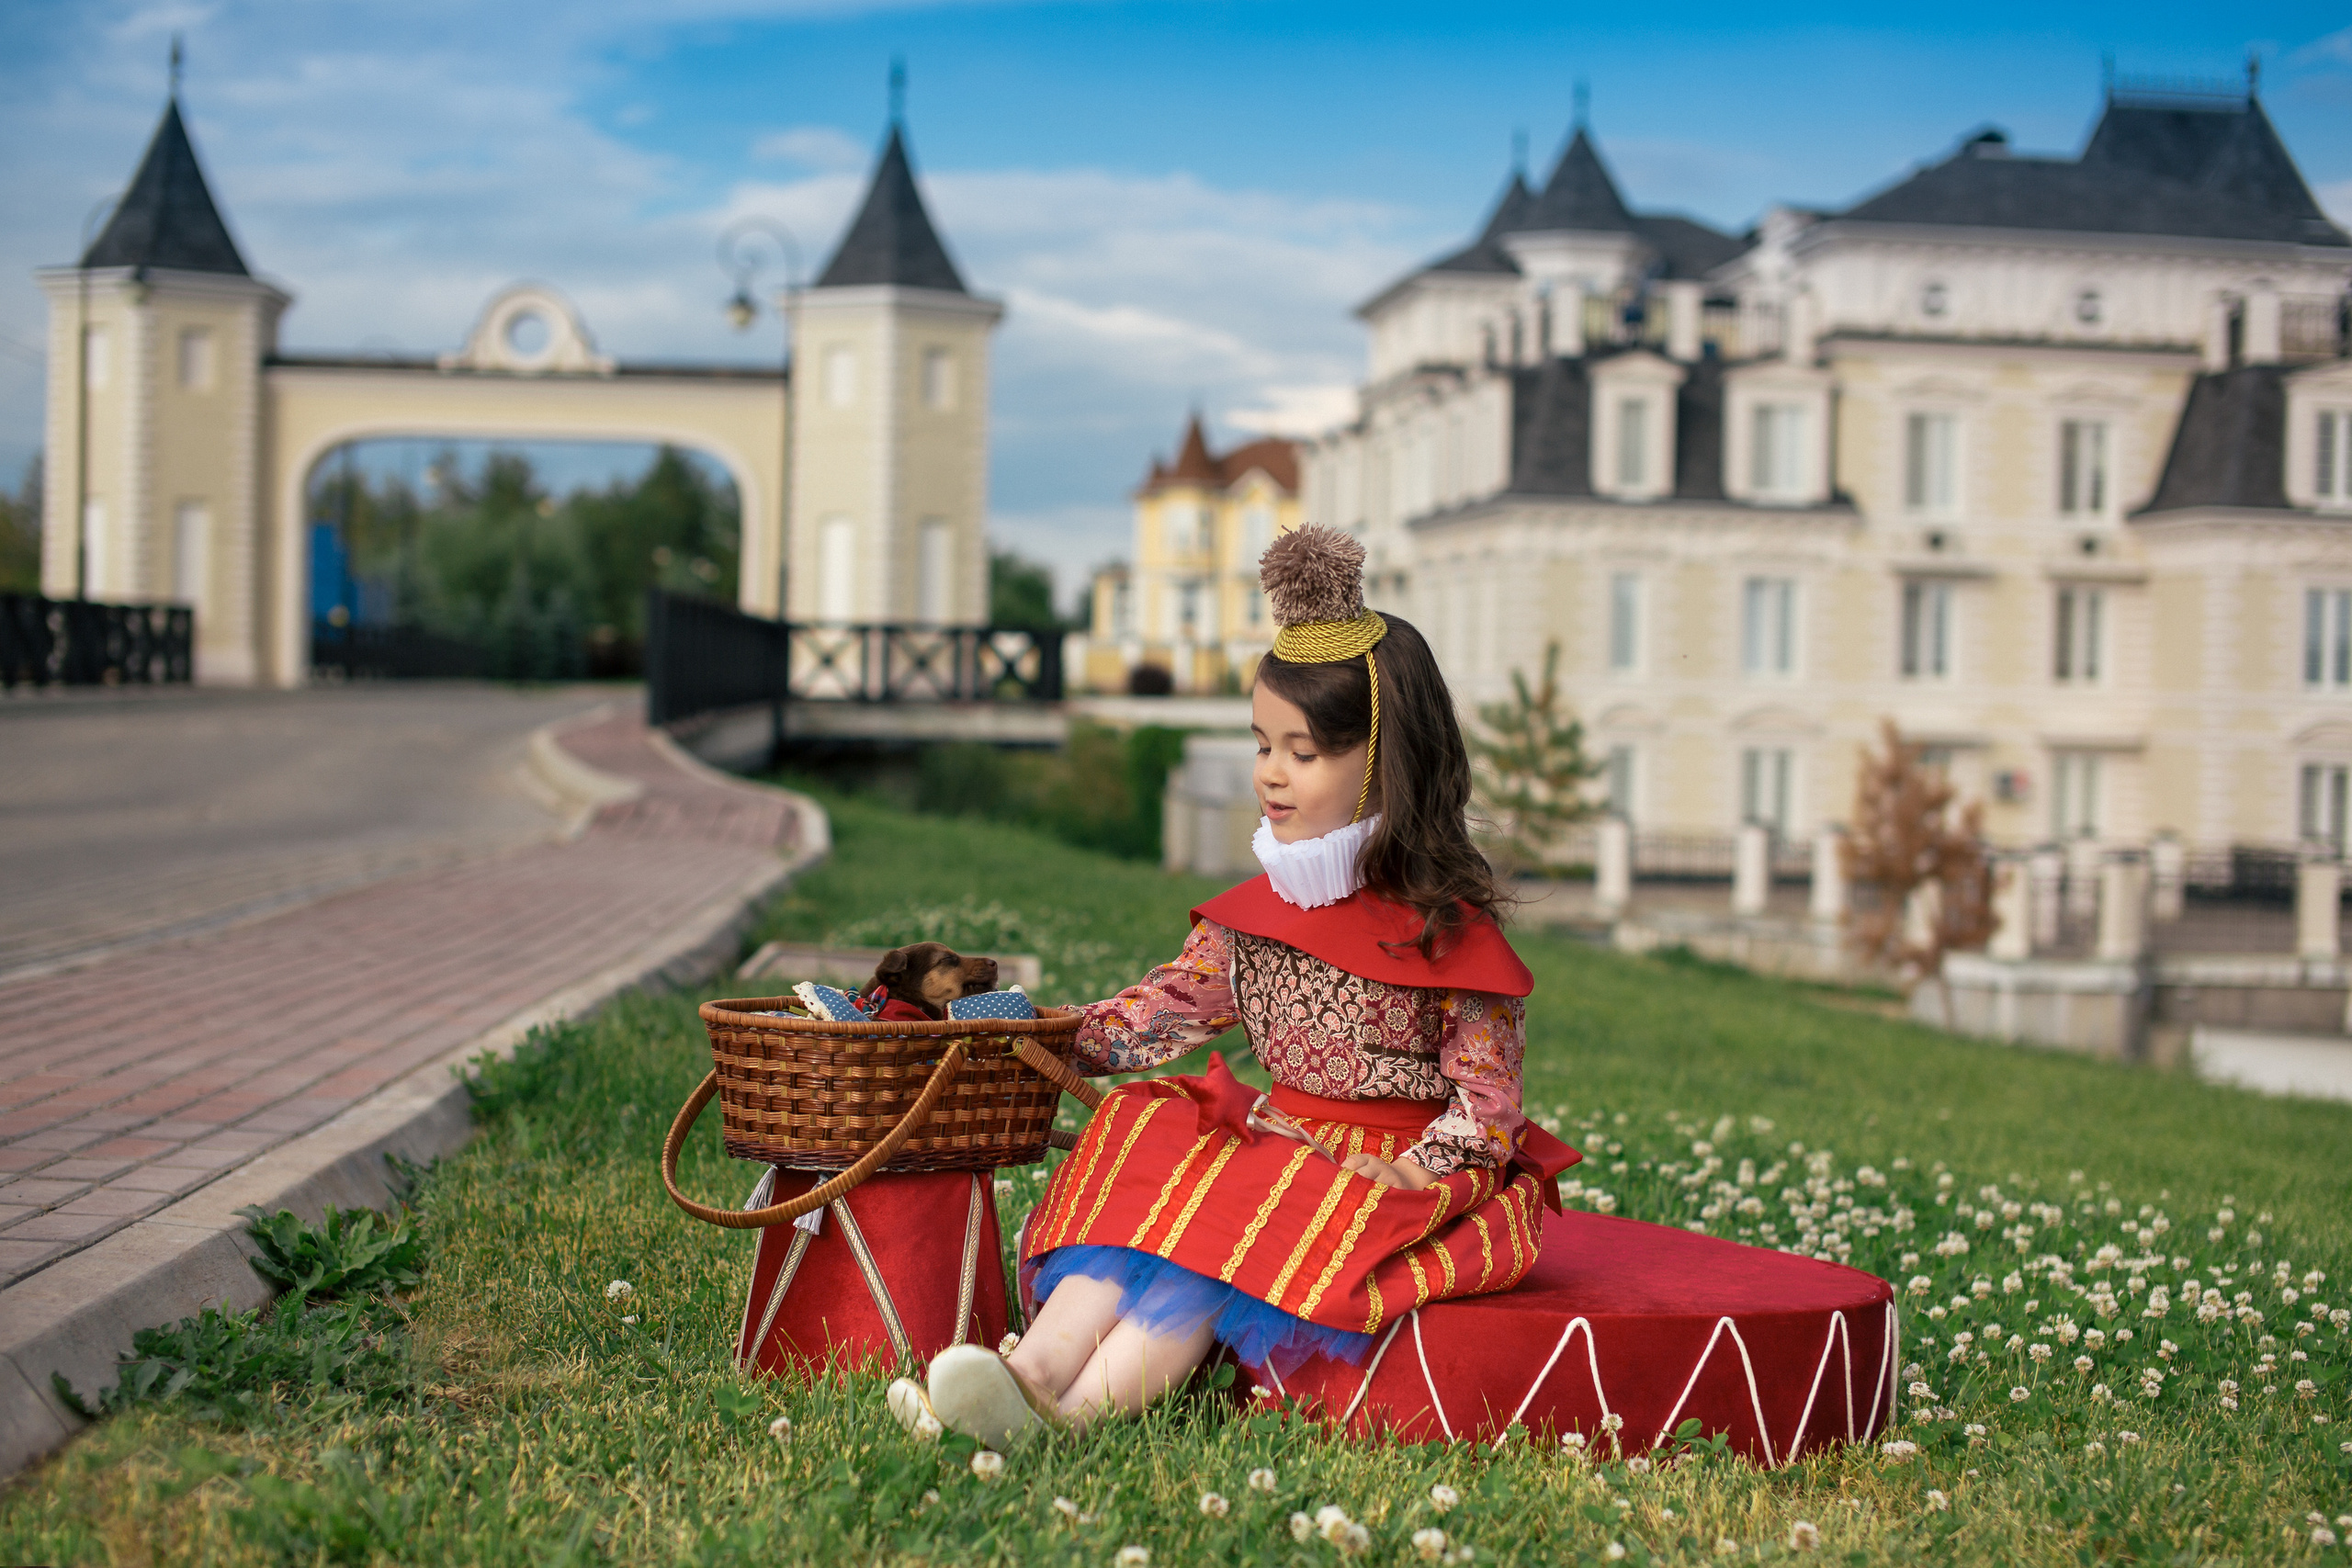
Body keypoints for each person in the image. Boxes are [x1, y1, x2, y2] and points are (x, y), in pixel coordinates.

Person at [888, 525, 1576, 1448]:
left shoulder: (1448, 933)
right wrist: (1014, 1028)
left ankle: (1067, 1416)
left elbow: (1488, 1108)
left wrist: (1411, 1167)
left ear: (1382, 761)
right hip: (1282, 1135)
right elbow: (1156, 1015)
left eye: (1302, 751)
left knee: (1219, 1239)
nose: (1270, 773)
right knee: (1157, 1139)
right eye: (1261, 744)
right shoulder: (1254, 915)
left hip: (1397, 1173)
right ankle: (1025, 1374)